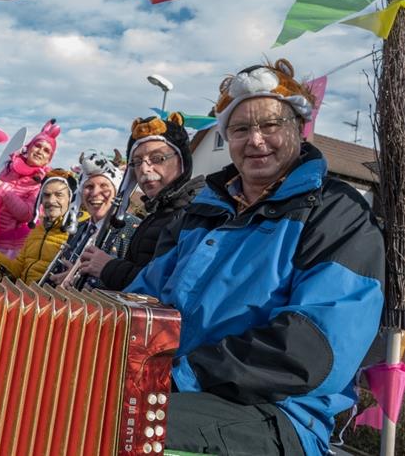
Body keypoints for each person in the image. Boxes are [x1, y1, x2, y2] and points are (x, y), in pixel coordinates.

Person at [123, 59, 384, 455]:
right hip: (173, 387)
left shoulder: (337, 212)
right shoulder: (205, 210)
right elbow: (145, 297)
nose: (256, 140)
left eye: (271, 125)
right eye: (241, 129)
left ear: (298, 127)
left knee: (114, 430)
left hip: (278, 413)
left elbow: (315, 349)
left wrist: (183, 374)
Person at [77, 112, 205, 290]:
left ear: (182, 161)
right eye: (137, 162)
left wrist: (108, 267)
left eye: (158, 158)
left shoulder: (198, 214)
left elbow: (172, 290)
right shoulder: (156, 214)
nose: (144, 169)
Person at [0, 119, 61, 273]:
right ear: (28, 148)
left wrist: (1, 186)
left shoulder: (42, 184)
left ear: (49, 159)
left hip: (11, 253)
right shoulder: (7, 171)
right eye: (38, 145)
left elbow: (26, 214)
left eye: (46, 150)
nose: (40, 151)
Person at [50, 150, 140, 290]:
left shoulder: (133, 228)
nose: (95, 193)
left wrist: (79, 283)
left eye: (104, 186)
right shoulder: (80, 227)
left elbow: (135, 284)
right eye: (89, 186)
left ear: (116, 192)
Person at [0, 169, 77, 284]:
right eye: (47, 195)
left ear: (70, 199)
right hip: (25, 294)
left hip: (50, 297)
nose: (51, 200)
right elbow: (18, 268)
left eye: (59, 195)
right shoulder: (36, 231)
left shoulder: (74, 235)